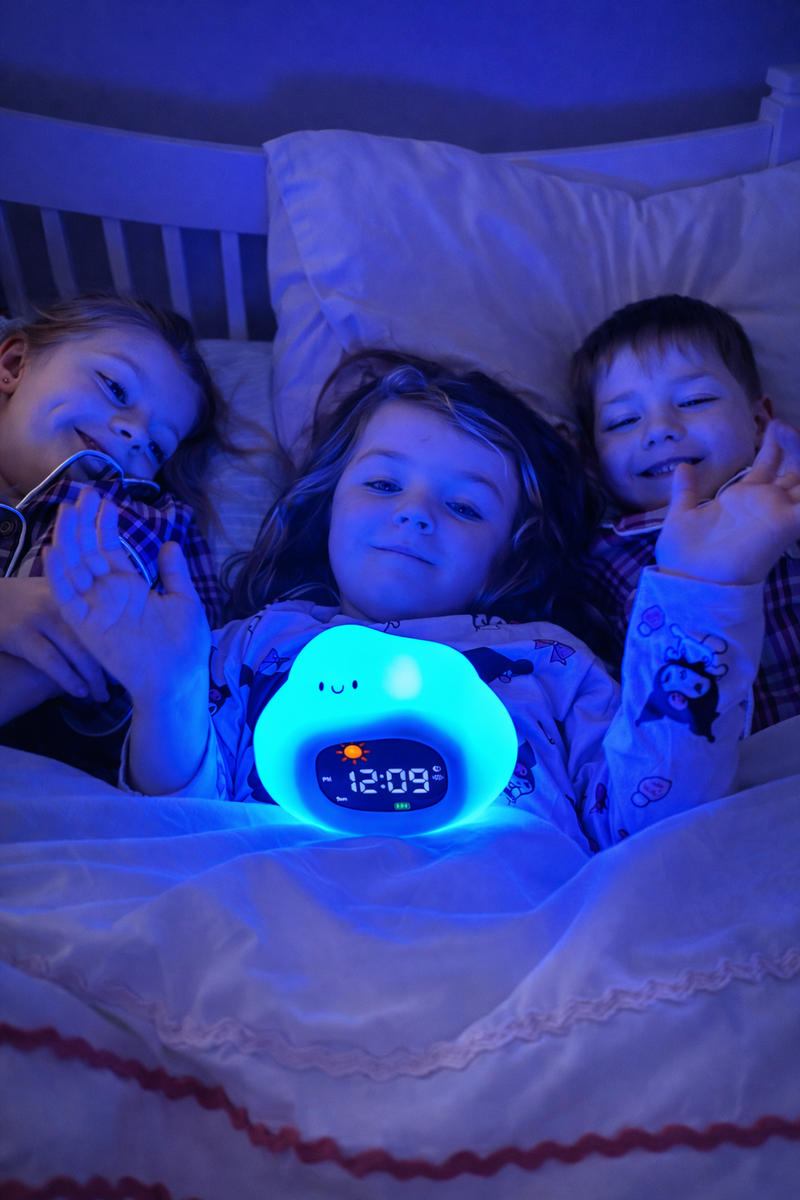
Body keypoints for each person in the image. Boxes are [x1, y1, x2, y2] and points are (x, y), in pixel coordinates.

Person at [44, 355, 800, 852]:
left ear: (512, 551)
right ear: (326, 505)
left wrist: (706, 591)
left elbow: (654, 823)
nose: (413, 514)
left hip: (520, 955)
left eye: (465, 506)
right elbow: (179, 827)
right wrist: (167, 691)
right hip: (285, 939)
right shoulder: (254, 646)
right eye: (382, 483)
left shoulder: (550, 661)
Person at [0, 294, 224, 780]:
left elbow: (69, 634)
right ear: (14, 365)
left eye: (156, 447)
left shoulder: (129, 513)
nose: (133, 434)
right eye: (115, 388)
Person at [572, 294, 800, 733]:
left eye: (694, 400)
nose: (660, 430)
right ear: (592, 459)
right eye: (623, 421)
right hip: (715, 760)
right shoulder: (598, 555)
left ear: (758, 421)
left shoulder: (786, 491)